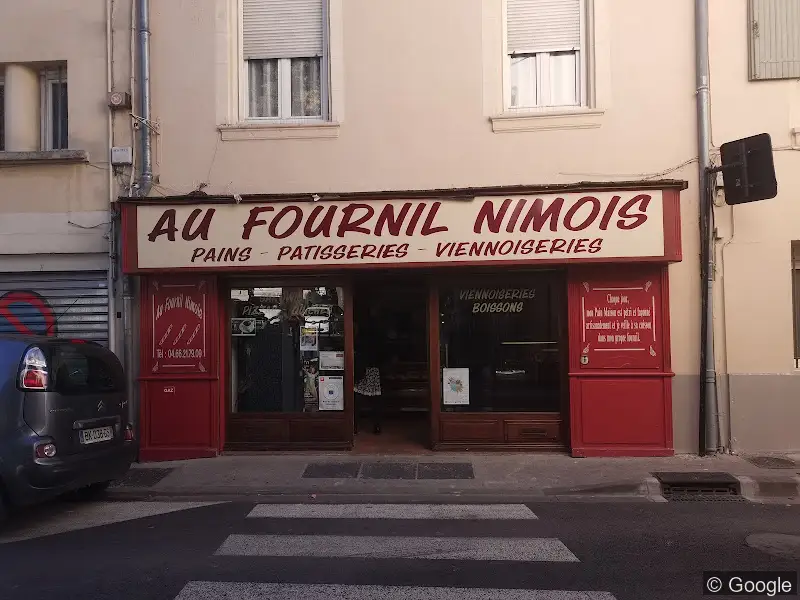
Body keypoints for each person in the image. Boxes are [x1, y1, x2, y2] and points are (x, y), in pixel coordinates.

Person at [353, 307, 385, 434]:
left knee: (358, 399)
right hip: (373, 369)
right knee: (375, 399)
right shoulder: (378, 334)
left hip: (363, 367)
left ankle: (354, 425)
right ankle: (377, 426)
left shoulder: (361, 335)